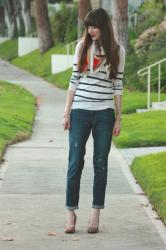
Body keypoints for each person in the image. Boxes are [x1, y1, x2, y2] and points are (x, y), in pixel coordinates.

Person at [62, 7, 125, 234]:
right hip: (80, 111)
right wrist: (66, 112)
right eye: (88, 26)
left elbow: (117, 85)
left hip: (104, 113)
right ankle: (70, 212)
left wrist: (118, 118)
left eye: (95, 26)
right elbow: (74, 81)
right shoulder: (82, 47)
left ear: (104, 27)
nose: (91, 30)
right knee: (75, 161)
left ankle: (95, 212)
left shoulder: (117, 51)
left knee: (100, 163)